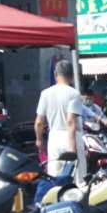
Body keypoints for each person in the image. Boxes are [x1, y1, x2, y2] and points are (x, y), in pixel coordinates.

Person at [35, 59, 85, 188]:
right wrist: (72, 149)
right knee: (77, 180)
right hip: (71, 137)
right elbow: (70, 121)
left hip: (54, 138)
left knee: (55, 178)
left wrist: (39, 140)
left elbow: (39, 122)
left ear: (55, 74)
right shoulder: (74, 94)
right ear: (72, 76)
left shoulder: (45, 94)